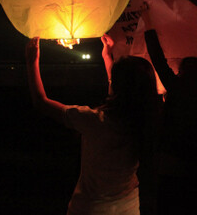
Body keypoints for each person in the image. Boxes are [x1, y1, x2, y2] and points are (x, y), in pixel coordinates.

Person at [25, 37, 161, 215]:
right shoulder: (147, 121)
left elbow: (41, 102)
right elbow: (122, 91)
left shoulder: (95, 121)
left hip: (91, 207)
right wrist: (107, 56)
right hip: (128, 205)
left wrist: (31, 61)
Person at [139, 4, 197, 215]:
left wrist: (147, 22)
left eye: (179, 71)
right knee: (191, 204)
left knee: (167, 203)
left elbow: (158, 59)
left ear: (185, 73)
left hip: (172, 159)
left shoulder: (178, 88)